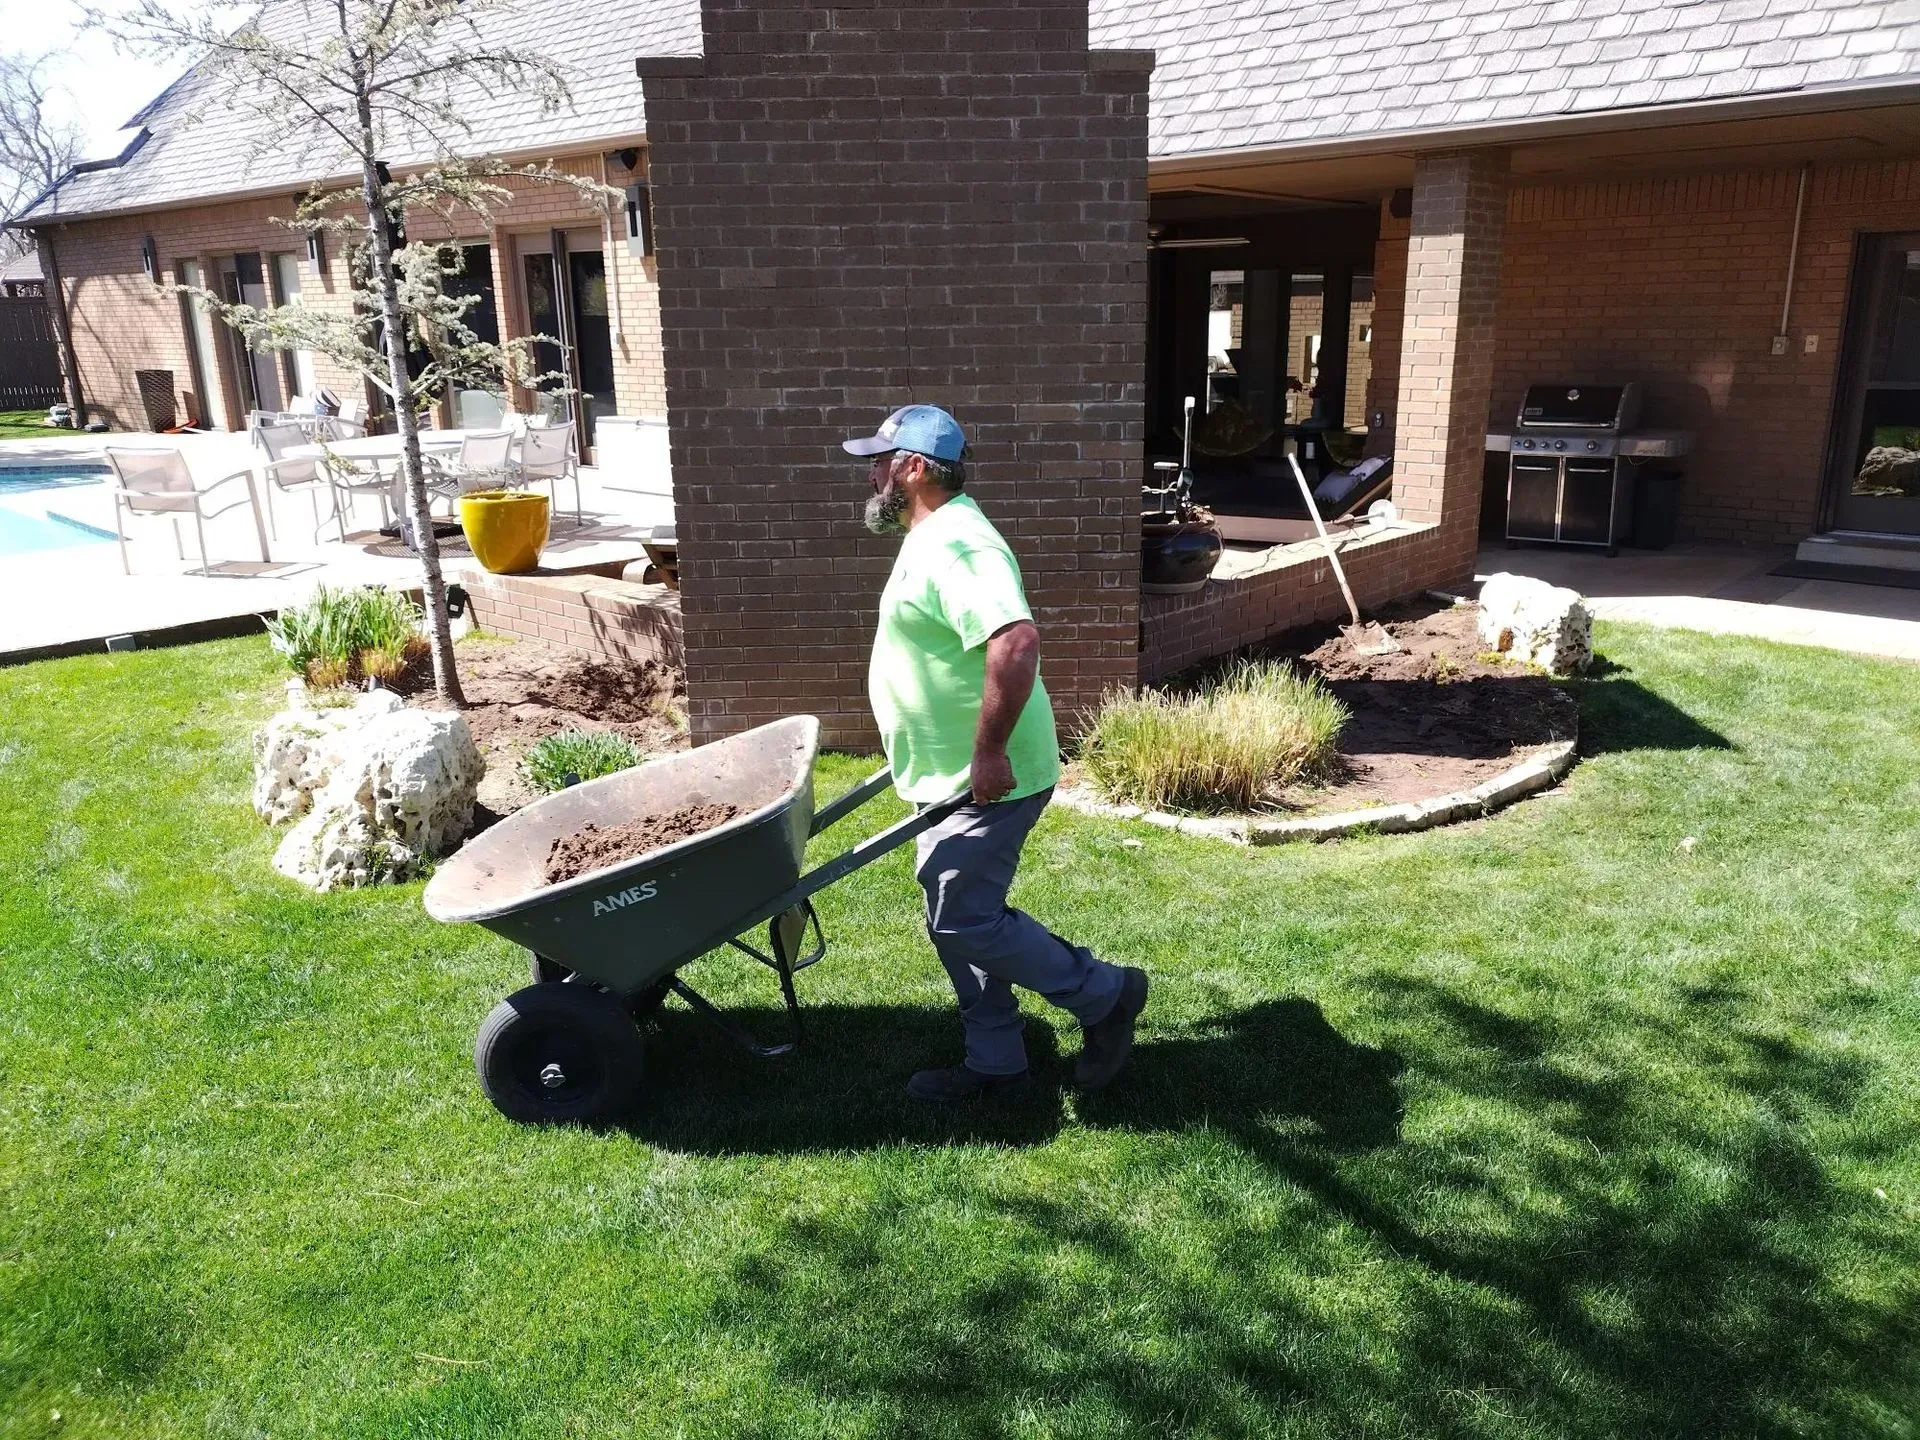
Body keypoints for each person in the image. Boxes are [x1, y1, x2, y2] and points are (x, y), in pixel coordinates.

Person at [843, 404, 1149, 1102]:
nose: (869, 475)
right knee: (953, 914)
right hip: (949, 772)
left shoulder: (960, 545)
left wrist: (987, 753)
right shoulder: (933, 534)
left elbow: (1015, 641)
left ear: (913, 468)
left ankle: (1106, 995)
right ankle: (997, 1064)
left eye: (878, 461)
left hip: (987, 778)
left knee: (963, 916)